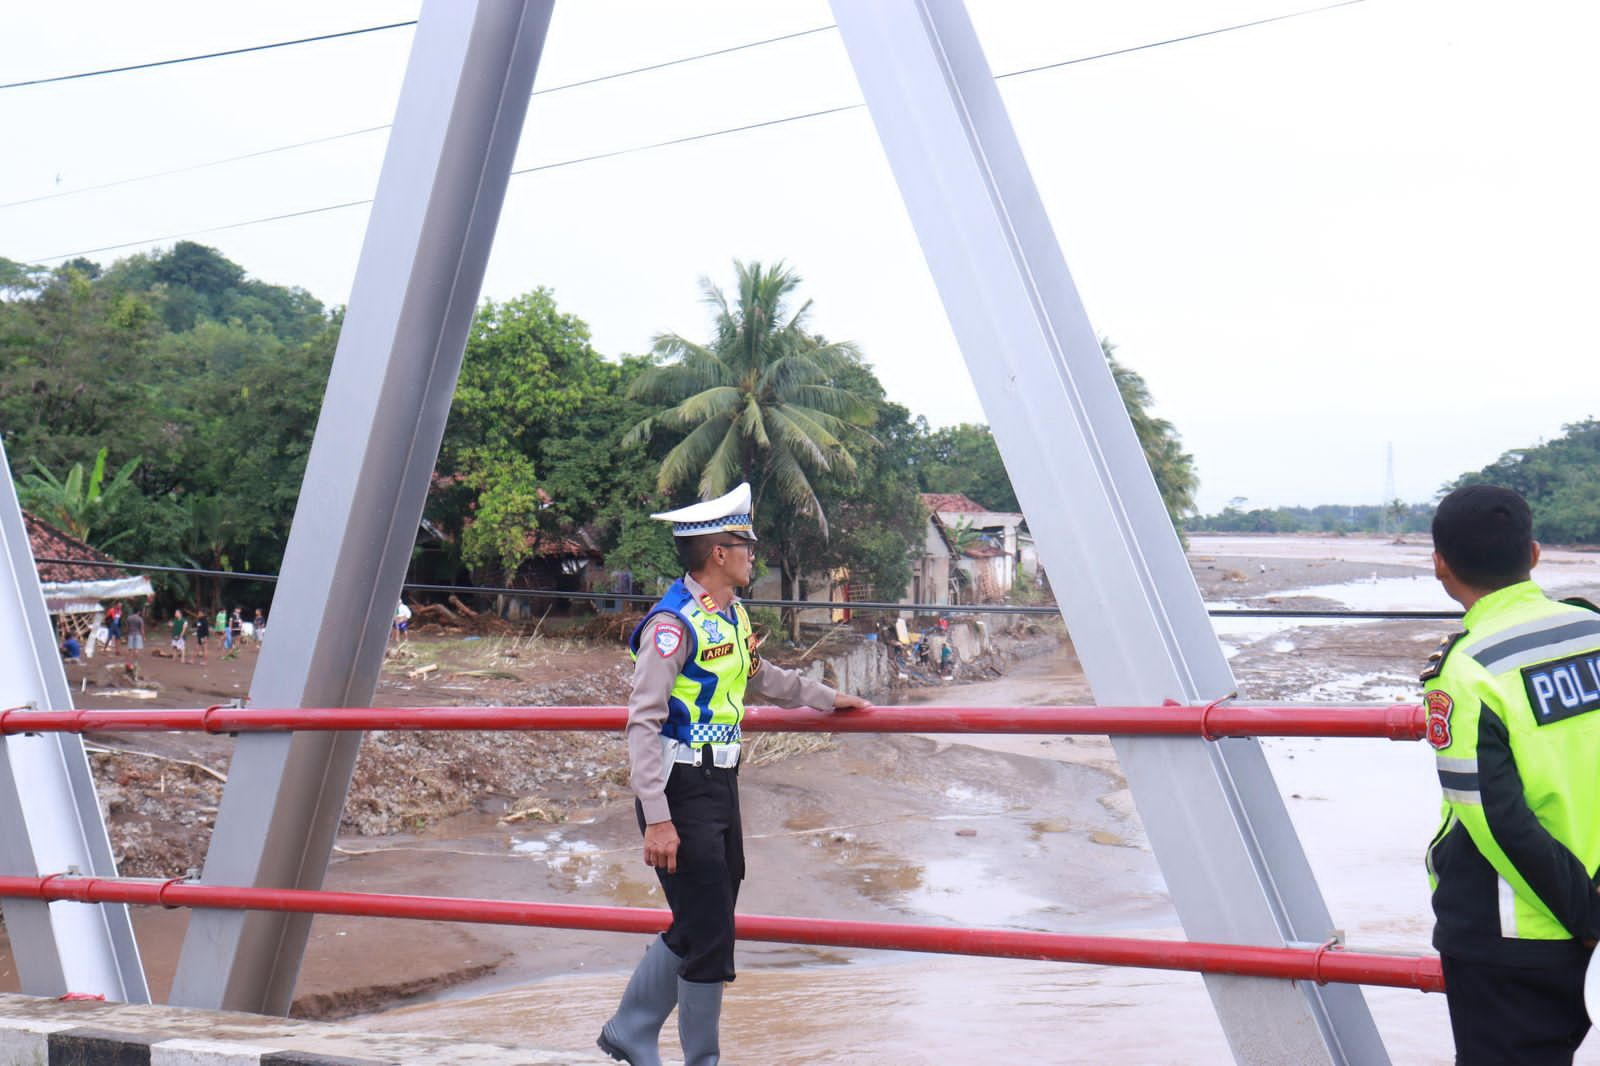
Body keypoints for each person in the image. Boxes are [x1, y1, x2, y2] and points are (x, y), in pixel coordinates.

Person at [597, 483, 869, 1066]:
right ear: (718, 553)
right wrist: (658, 820)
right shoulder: (671, 626)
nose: (753, 554)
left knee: (707, 918)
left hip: (721, 784)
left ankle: (629, 1029)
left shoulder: (729, 615)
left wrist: (826, 698)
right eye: (746, 543)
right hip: (678, 788)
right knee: (711, 933)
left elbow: (760, 675)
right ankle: (694, 1057)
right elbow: (643, 723)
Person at [1421, 485, 1600, 1065]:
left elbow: (1495, 819)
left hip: (1515, 931)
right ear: (1535, 553)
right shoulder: (1590, 629)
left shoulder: (1466, 669)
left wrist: (1587, 917)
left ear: (1440, 565)